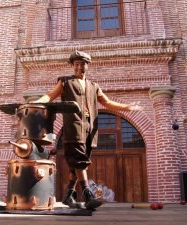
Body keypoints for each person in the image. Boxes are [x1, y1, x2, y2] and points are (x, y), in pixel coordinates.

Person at [31, 50, 142, 210]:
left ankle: (68, 196)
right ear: (72, 66)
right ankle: (87, 194)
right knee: (80, 160)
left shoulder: (94, 86)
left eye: (82, 64)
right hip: (73, 126)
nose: (79, 67)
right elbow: (50, 96)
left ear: (87, 66)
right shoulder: (65, 82)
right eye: (76, 64)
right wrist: (36, 103)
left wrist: (128, 107)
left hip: (90, 128)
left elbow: (108, 102)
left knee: (76, 164)